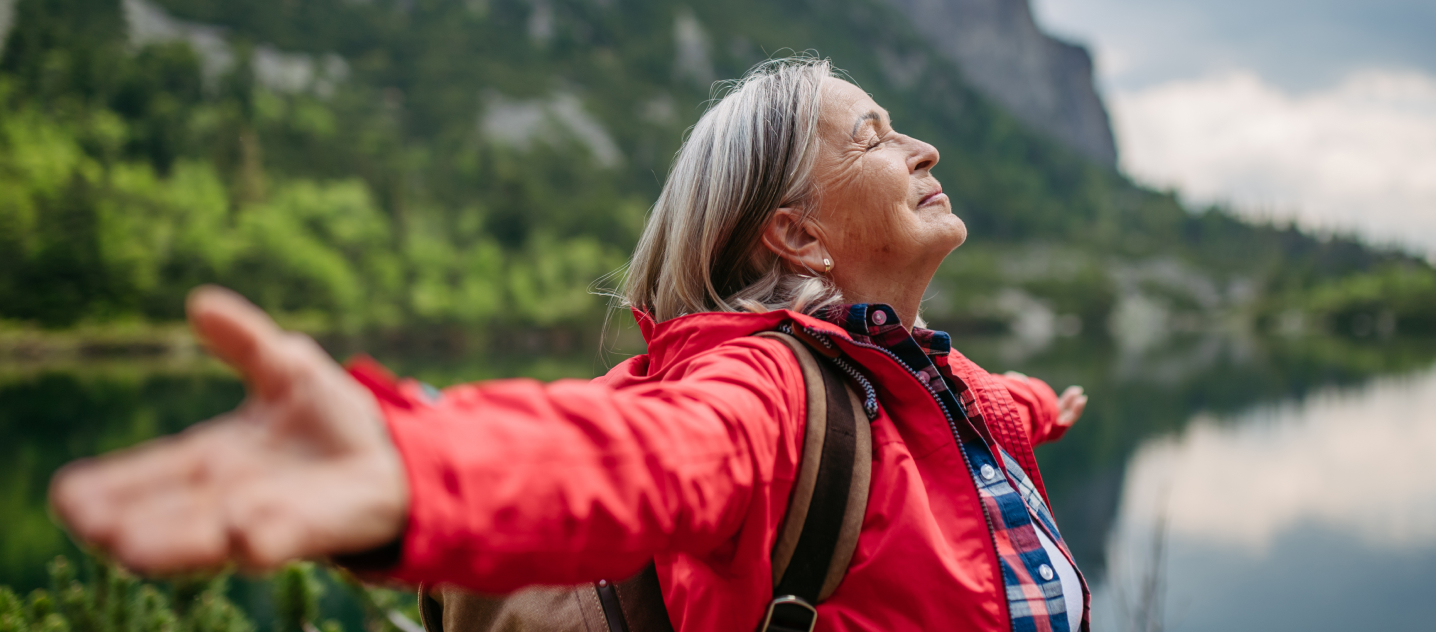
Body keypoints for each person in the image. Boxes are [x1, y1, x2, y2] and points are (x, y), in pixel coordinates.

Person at [49, 57, 1091, 632]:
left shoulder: (925, 372)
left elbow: (978, 395)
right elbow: (636, 458)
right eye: (872, 136)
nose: (922, 147)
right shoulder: (765, 385)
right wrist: (418, 467)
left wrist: (1043, 405)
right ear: (795, 233)